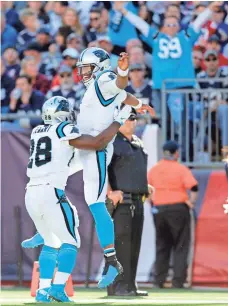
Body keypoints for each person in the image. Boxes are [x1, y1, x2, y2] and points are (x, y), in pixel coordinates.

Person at [22, 47, 155, 289]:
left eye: (86, 67)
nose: (82, 72)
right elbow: (124, 95)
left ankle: (112, 260)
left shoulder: (104, 79)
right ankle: (46, 228)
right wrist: (140, 104)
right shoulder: (99, 88)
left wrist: (123, 70)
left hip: (96, 149)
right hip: (84, 146)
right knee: (52, 176)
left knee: (95, 203)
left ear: (99, 67)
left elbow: (118, 82)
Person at [25, 96, 132, 302]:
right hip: (51, 191)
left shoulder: (36, 131)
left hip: (31, 192)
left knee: (51, 242)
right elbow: (96, 143)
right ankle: (57, 288)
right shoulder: (63, 129)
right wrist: (119, 120)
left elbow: (65, 159)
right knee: (71, 242)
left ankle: (42, 290)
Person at [106, 109, 151, 297]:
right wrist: (109, 192)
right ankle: (116, 286)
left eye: (134, 118)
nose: (132, 121)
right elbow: (102, 169)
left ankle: (130, 285)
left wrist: (145, 185)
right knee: (120, 244)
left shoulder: (137, 142)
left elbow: (133, 169)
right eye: (128, 118)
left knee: (133, 245)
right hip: (120, 202)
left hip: (137, 200)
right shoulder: (111, 142)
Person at [147, 141, 198, 288]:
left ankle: (159, 280)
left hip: (159, 209)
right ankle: (178, 281)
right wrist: (191, 202)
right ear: (176, 153)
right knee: (181, 245)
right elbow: (194, 187)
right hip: (178, 209)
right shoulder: (180, 169)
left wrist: (153, 202)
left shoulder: (154, 170)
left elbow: (146, 189)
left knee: (162, 245)